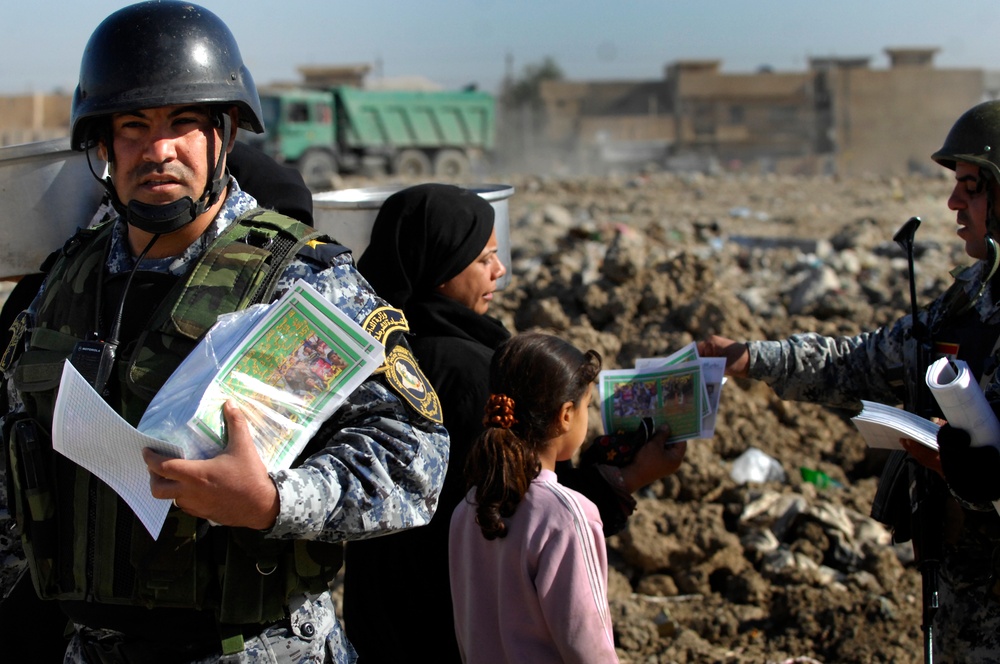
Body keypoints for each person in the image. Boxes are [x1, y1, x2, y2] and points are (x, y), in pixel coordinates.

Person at [0, 3, 447, 662]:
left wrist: (271, 501)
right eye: (133, 126)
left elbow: (416, 462)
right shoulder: (68, 281)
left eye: (183, 123)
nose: (159, 150)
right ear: (102, 144)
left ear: (226, 133)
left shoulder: (302, 280)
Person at [698, 99, 1000, 663]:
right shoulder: (972, 300)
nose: (954, 201)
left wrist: (971, 470)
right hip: (964, 600)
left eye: (972, 186)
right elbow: (863, 360)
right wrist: (753, 359)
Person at [345, 183, 687, 663]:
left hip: (380, 619)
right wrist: (628, 477)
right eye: (484, 259)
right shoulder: (467, 372)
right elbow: (526, 507)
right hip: (444, 625)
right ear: (441, 267)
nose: (500, 272)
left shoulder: (372, 350)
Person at [449, 332, 617, 663]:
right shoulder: (568, 515)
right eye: (587, 406)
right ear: (566, 414)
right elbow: (587, 645)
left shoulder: (468, 506)